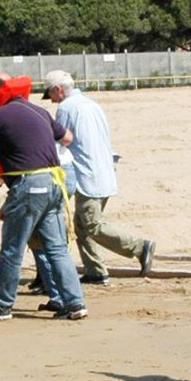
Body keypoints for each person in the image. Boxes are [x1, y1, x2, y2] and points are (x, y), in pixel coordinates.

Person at [0, 74, 87, 321]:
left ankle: (0, 304)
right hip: (55, 182)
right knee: (57, 248)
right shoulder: (38, 111)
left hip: (28, 185)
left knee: (12, 248)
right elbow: (67, 138)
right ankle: (74, 303)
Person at [42, 70, 154, 285]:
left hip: (88, 173)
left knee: (92, 223)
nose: (52, 100)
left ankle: (139, 247)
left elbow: (63, 139)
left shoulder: (67, 107)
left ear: (58, 89)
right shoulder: (91, 104)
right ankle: (95, 271)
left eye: (51, 94)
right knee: (82, 225)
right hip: (103, 169)